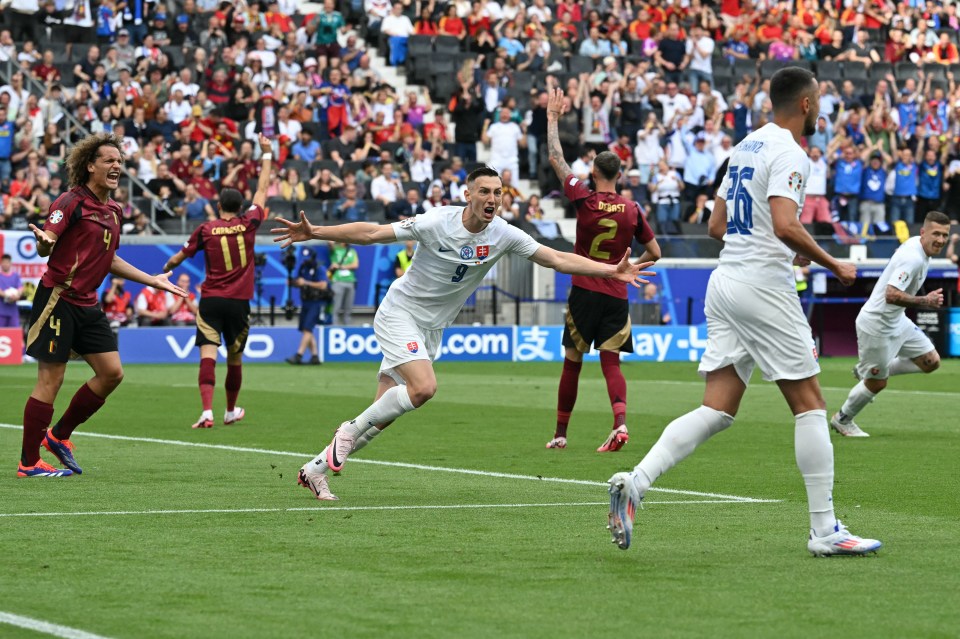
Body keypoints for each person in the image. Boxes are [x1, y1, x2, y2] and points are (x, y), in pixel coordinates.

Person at [606, 67, 882, 557]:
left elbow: (716, 225)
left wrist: (780, 242)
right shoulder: (791, 151)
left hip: (726, 280)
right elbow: (783, 222)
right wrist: (831, 261)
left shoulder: (745, 146)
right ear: (805, 104)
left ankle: (636, 481)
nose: (820, 109)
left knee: (717, 408)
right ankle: (825, 531)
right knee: (812, 404)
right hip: (761, 286)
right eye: (818, 101)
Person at [272, 166, 656, 501]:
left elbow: (555, 258)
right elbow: (373, 233)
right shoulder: (436, 221)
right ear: (467, 195)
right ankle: (346, 430)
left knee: (381, 416)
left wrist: (611, 271)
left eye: (498, 193)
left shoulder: (504, 234)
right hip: (399, 314)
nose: (493, 199)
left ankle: (315, 469)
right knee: (423, 389)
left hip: (432, 328)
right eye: (485, 192)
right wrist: (316, 231)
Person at [19, 132, 186, 478]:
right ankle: (28, 462)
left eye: (119, 161)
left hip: (87, 303)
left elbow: (108, 258)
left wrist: (151, 279)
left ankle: (59, 436)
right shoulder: (70, 202)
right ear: (89, 165)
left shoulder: (114, 209)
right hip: (59, 298)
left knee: (112, 373)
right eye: (109, 160)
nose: (116, 166)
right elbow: (47, 241)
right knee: (51, 380)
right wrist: (45, 244)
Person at [543, 88, 661, 453]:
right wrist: (629, 268)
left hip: (584, 289)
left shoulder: (584, 197)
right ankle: (620, 425)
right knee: (611, 363)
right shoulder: (631, 209)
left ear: (593, 172)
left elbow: (556, 157)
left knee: (572, 362)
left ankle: (561, 433)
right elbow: (655, 252)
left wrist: (552, 119)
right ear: (621, 175)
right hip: (616, 294)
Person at [161, 134, 274, 429]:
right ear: (239, 207)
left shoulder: (205, 229)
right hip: (239, 302)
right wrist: (266, 154)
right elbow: (262, 189)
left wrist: (166, 268)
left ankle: (207, 412)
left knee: (207, 356)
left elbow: (178, 258)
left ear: (219, 204)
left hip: (211, 300)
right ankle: (230, 410)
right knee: (235, 360)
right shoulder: (248, 223)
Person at [831, 211, 950, 437]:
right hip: (877, 324)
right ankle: (843, 419)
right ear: (923, 232)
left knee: (931, 361)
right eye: (936, 234)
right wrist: (925, 300)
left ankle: (865, 370)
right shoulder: (913, 259)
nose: (941, 240)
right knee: (877, 384)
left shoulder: (916, 245)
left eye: (945, 235)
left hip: (897, 320)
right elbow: (891, 294)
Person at [286, 247, 329, 365]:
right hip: (305, 301)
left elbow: (323, 285)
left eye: (308, 259)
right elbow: (299, 281)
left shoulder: (319, 268)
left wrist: (305, 282)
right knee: (305, 328)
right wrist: (293, 283)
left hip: (317, 301)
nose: (305, 261)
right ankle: (315, 356)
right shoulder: (303, 267)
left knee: (307, 328)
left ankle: (299, 354)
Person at [328, 241, 358, 325]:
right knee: (336, 306)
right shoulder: (335, 250)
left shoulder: (352, 251)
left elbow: (355, 265)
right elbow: (330, 244)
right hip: (338, 281)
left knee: (348, 307)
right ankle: (334, 326)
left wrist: (340, 266)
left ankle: (347, 326)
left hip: (350, 281)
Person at [0, 253, 23, 328]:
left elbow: (20, 288)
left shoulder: (15, 276)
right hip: (1, 311)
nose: (5, 264)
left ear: (10, 263)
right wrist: (7, 295)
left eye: (7, 262)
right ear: (1, 263)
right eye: (4, 262)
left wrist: (17, 295)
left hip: (13, 311)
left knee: (14, 333)